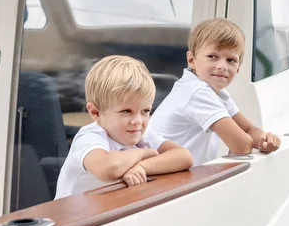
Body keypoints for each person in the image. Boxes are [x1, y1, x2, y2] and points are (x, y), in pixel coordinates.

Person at [54, 55, 194, 198]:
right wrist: (141, 154)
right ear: (96, 112)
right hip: (74, 218)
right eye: (126, 111)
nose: (138, 121)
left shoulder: (141, 135)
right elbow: (108, 169)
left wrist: (140, 167)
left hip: (112, 211)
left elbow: (184, 157)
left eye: (145, 111)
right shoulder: (89, 137)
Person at [147, 18, 281, 165]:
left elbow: (249, 129)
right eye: (212, 57)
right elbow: (241, 145)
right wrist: (252, 141)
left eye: (231, 60)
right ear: (191, 60)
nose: (222, 66)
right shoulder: (196, 92)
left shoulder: (217, 93)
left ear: (238, 67)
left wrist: (264, 139)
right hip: (159, 179)